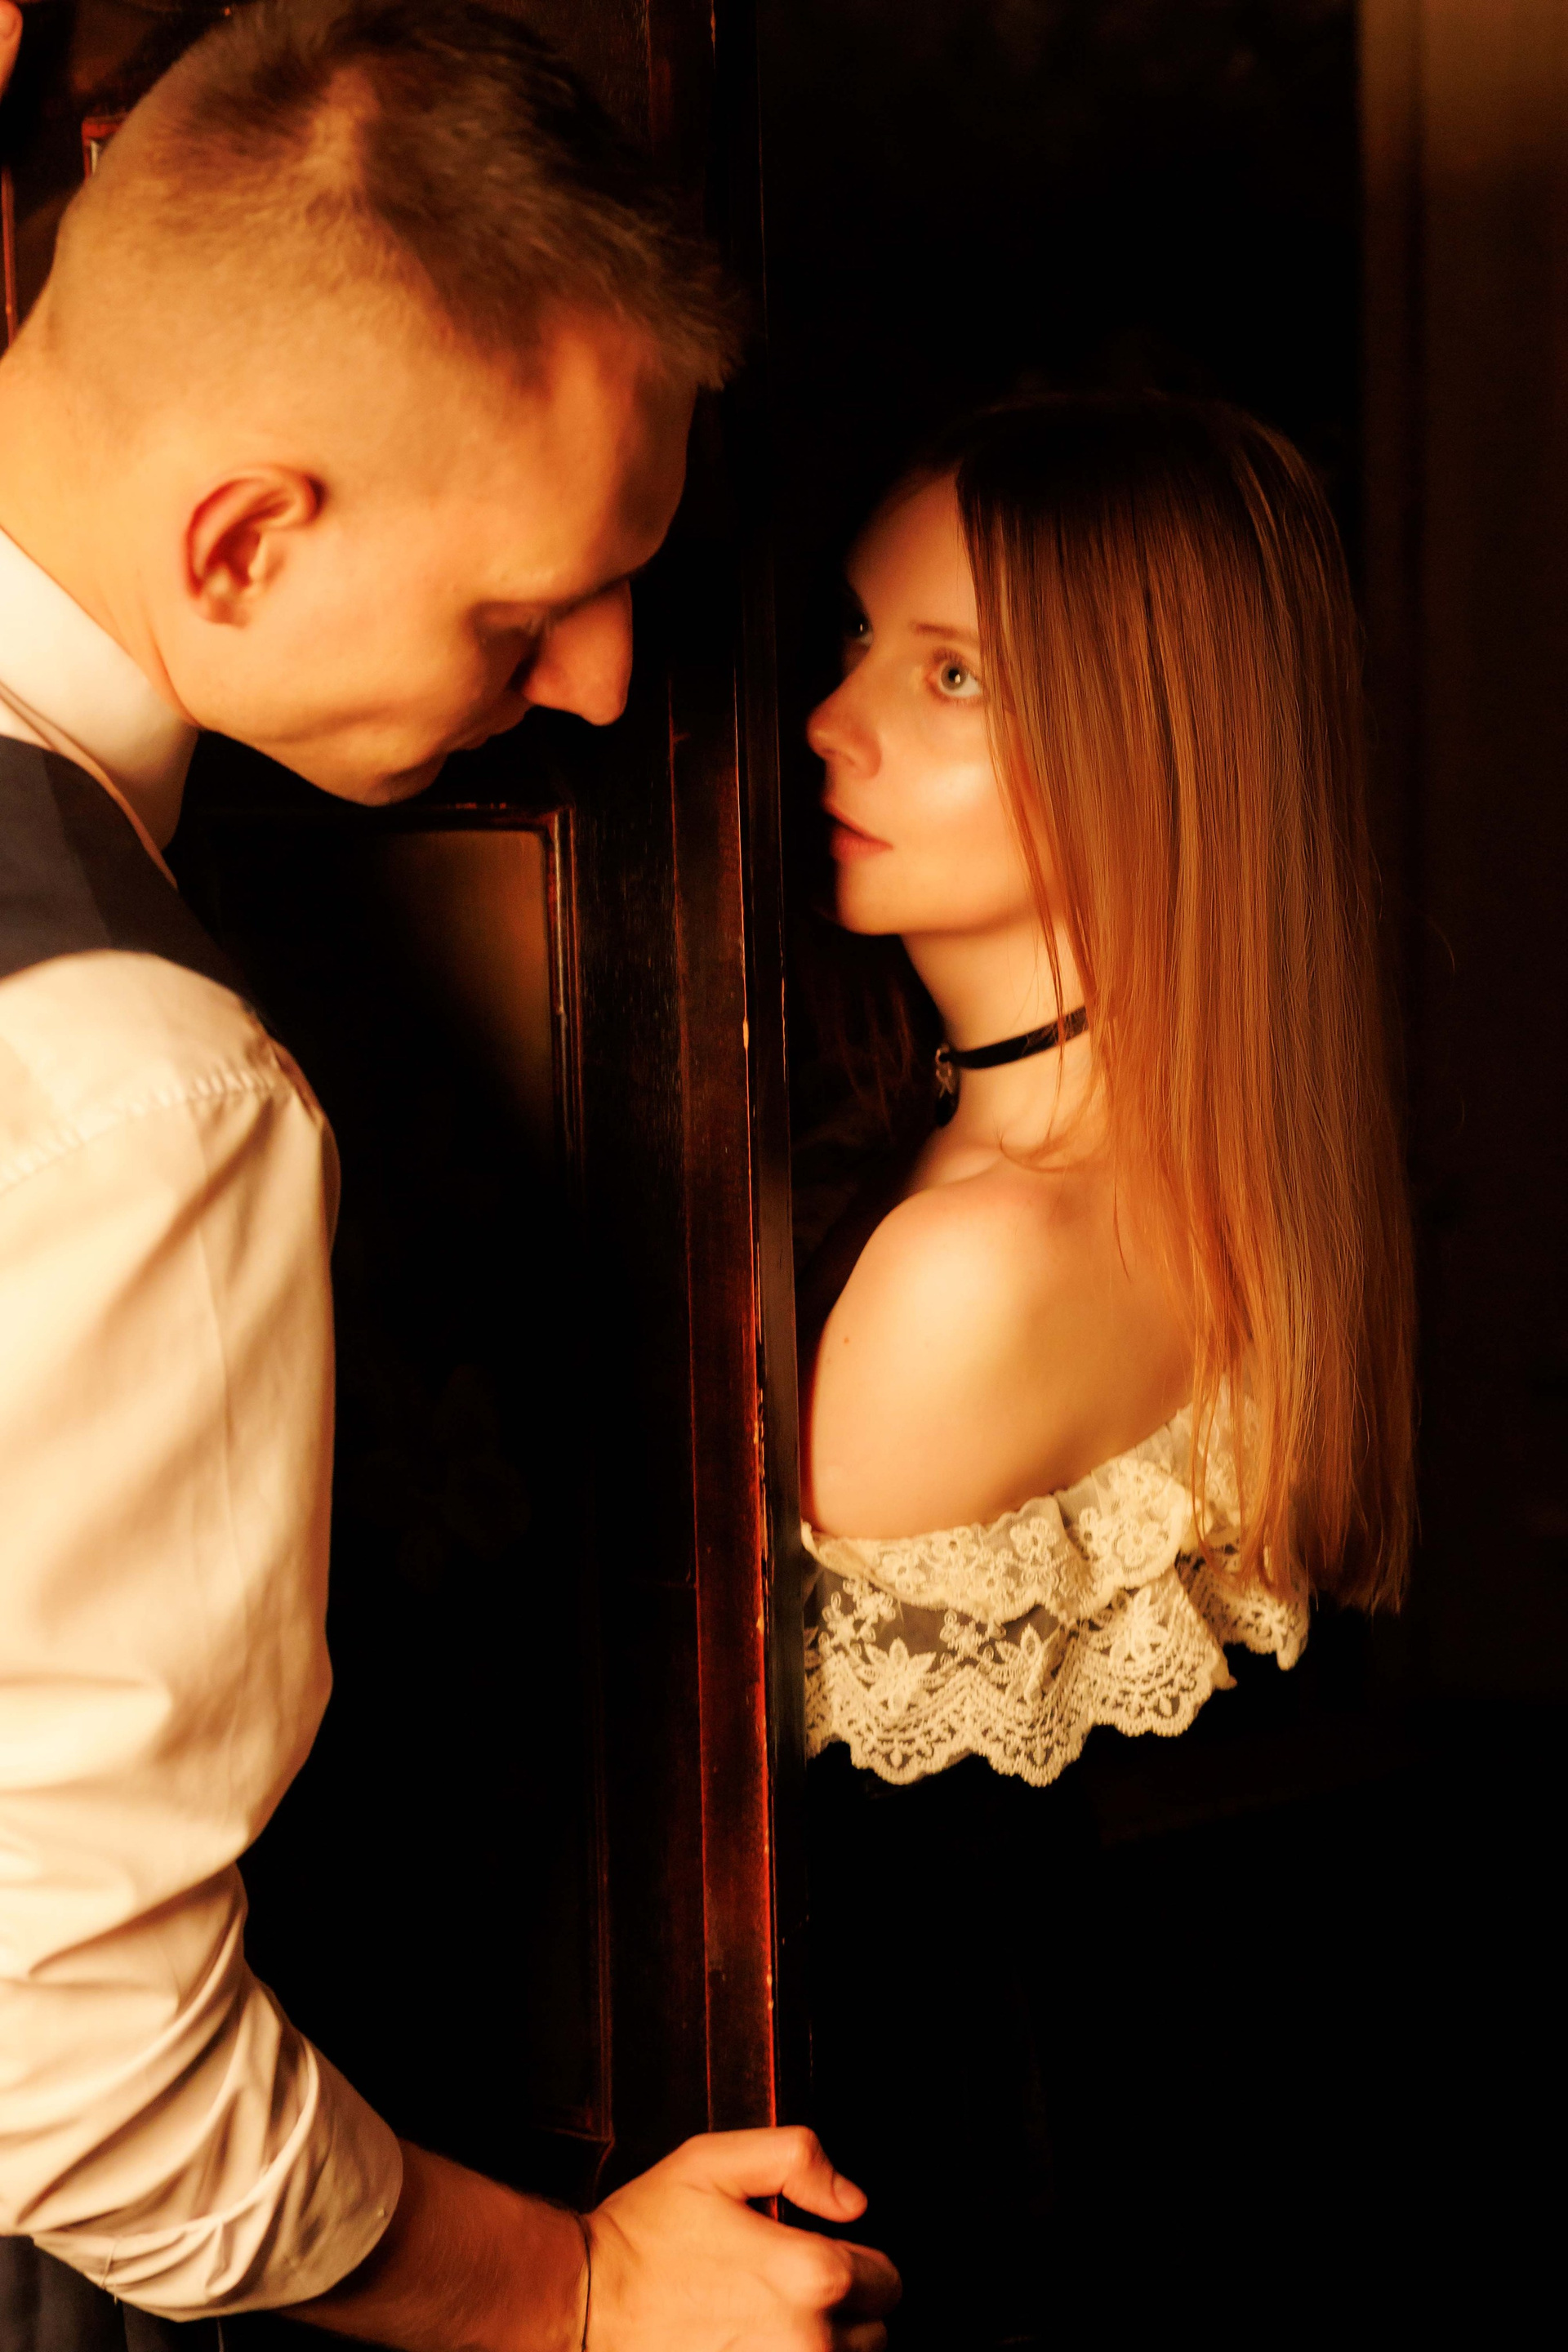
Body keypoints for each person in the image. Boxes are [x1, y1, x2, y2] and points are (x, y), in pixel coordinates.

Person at [0, 5, 898, 2349]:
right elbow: (62, 2065)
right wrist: (573, 2293)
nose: (598, 687)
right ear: (242, 541)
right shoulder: (138, 1085)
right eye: (525, 610)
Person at [795, 395, 1415, 2346]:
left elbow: (857, 1938)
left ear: (1156, 750)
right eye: (859, 641)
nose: (829, 722)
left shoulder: (977, 1267)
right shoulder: (1194, 1159)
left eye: (951, 674)